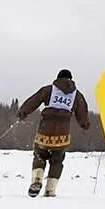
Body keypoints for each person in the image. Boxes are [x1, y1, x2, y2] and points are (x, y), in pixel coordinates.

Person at [16, 68, 93, 198]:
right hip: (63, 132)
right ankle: (50, 190)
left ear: (58, 78)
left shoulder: (49, 89)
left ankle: (37, 179)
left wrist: (23, 112)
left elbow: (34, 100)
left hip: (46, 128)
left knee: (40, 154)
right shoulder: (76, 95)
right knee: (57, 160)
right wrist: (84, 125)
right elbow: (82, 112)